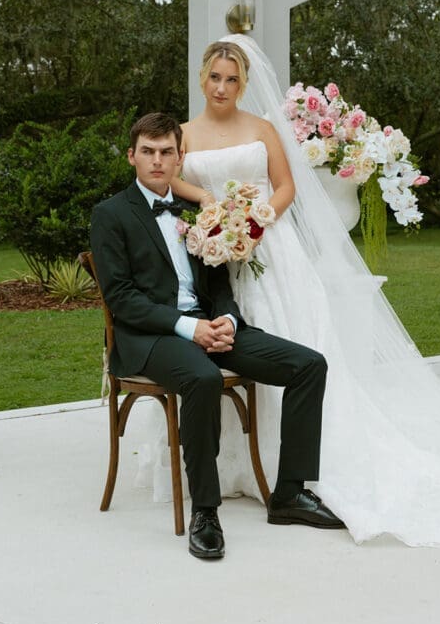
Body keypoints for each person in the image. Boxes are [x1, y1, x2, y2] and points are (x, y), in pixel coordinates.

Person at [168, 35, 440, 547]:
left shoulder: (261, 129)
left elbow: (285, 186)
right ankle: (233, 465)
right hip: (215, 251)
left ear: (244, 83)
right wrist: (212, 205)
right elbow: (171, 181)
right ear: (202, 78)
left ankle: (294, 470)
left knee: (292, 342)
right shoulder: (183, 134)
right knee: (229, 347)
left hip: (271, 250)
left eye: (232, 79)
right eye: (215, 77)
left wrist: (256, 224)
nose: (222, 86)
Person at [90, 111, 344, 561]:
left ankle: (288, 495)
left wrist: (226, 319)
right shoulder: (110, 215)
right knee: (203, 378)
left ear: (180, 157)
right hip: (152, 338)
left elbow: (219, 283)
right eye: (147, 152)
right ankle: (205, 511)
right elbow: (124, 299)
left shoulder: (199, 213)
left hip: (210, 326)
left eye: (166, 152)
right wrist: (190, 328)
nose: (157, 160)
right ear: (132, 157)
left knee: (309, 365)